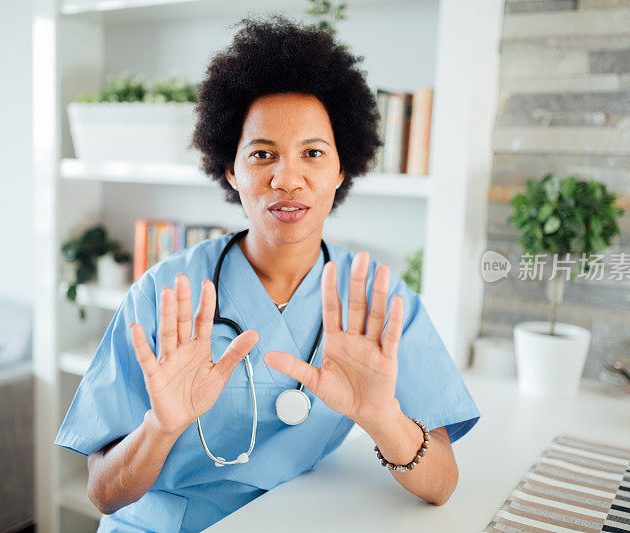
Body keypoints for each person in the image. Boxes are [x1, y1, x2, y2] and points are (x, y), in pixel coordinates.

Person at [54, 14, 480, 532]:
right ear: (231, 169)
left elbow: (441, 485)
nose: (287, 178)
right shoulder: (165, 293)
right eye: (262, 155)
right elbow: (104, 494)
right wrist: (159, 428)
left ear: (342, 169)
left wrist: (382, 417)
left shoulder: (378, 301)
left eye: (313, 154)